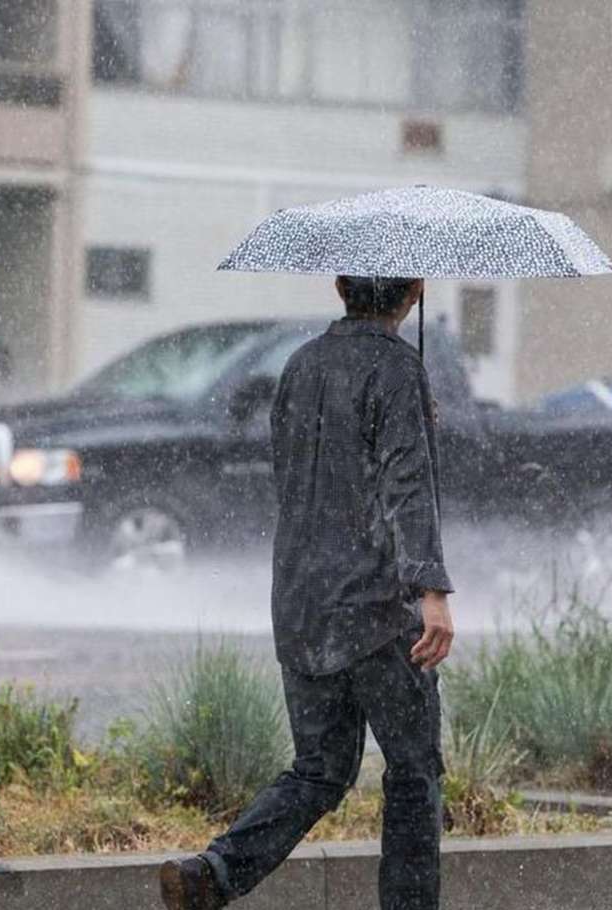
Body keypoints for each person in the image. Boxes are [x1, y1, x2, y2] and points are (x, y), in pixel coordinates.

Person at [159, 275, 455, 910]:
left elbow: (299, 473)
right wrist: (429, 587)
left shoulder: (299, 364)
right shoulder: (398, 369)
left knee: (320, 770)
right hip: (377, 610)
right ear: (416, 291)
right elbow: (406, 482)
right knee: (413, 773)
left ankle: (213, 873)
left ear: (340, 286)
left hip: (301, 601)